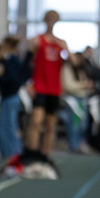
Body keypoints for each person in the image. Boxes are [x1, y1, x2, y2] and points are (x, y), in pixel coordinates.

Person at [23, 10, 69, 174]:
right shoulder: (37, 41)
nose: (51, 22)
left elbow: (74, 63)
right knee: (36, 121)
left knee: (50, 125)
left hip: (54, 89)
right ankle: (31, 152)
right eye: (49, 19)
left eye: (54, 20)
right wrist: (28, 84)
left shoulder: (60, 43)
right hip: (40, 86)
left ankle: (45, 155)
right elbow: (26, 63)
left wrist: (67, 51)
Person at [0, 37, 29, 171]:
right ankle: (8, 154)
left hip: (11, 97)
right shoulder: (7, 61)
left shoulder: (13, 61)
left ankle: (14, 155)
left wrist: (0, 75)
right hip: (7, 97)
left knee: (9, 128)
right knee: (4, 128)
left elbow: (14, 79)